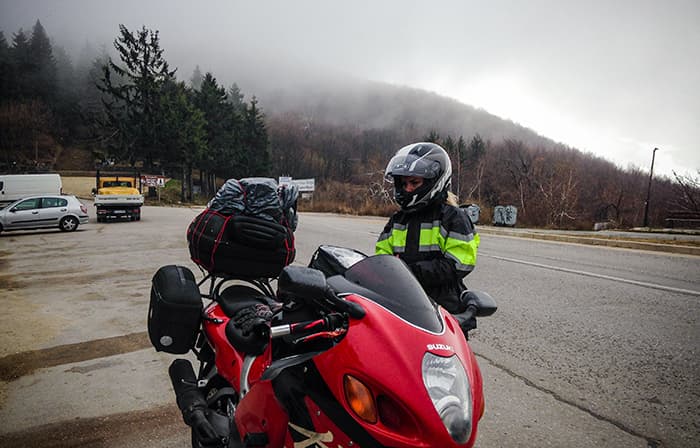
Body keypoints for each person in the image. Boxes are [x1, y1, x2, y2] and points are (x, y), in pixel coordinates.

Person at [376, 142, 480, 325]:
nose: (407, 189)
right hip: (403, 303)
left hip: (443, 308)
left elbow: (460, 263)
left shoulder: (453, 218)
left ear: (434, 180)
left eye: (414, 182)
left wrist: (410, 272)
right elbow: (381, 260)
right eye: (403, 183)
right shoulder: (398, 220)